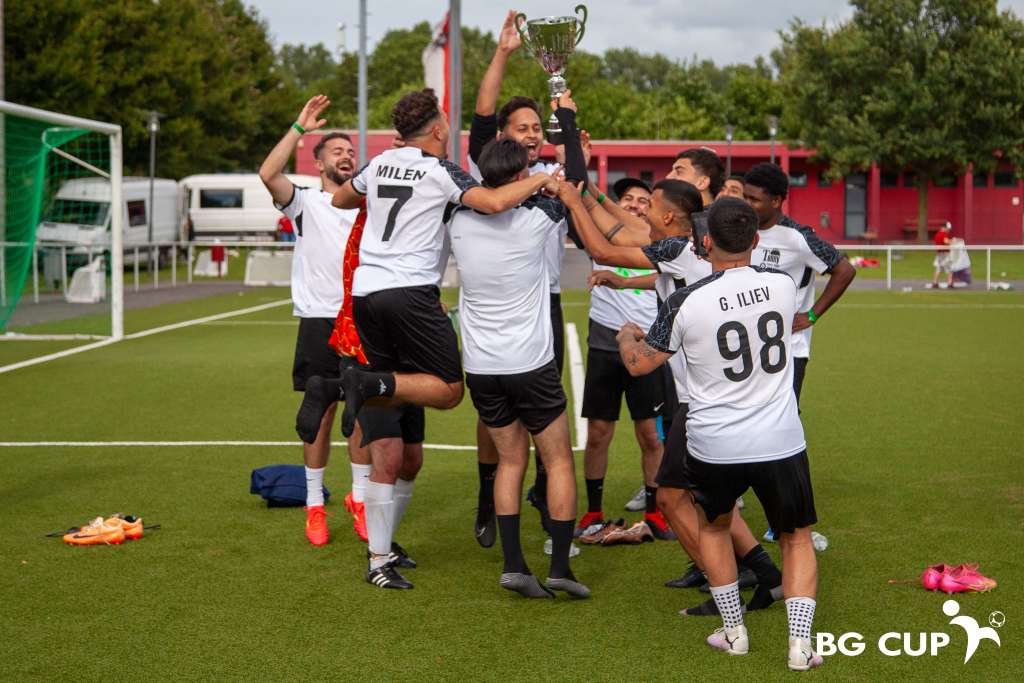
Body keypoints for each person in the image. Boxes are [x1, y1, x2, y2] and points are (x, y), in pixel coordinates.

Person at [299, 88, 557, 589]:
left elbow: (342, 196)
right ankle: (354, 387)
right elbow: (493, 201)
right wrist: (543, 178)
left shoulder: (379, 164)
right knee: (450, 389)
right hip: (411, 295)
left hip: (367, 295)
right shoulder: (440, 170)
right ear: (438, 129)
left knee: (397, 447)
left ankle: (379, 558)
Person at [617, 197, 824, 671]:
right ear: (756, 239)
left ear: (705, 242)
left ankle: (734, 633)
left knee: (713, 527)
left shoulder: (685, 301)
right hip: (779, 438)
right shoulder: (782, 284)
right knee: (795, 538)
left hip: (714, 441)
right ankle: (799, 645)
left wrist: (627, 337)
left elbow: (640, 364)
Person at [581, 179, 782, 617]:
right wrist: (624, 281)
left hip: (700, 401)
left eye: (650, 203)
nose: (642, 210)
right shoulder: (707, 255)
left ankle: (726, 583)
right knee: (710, 500)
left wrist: (572, 198)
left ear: (671, 214)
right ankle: (765, 575)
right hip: (731, 399)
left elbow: (603, 248)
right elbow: (665, 272)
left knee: (672, 499)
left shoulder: (676, 246)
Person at [450, 133, 589, 599]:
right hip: (530, 363)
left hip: (481, 367)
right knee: (558, 459)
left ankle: (514, 564)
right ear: (520, 175)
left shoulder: (456, 218)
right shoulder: (539, 217)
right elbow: (575, 183)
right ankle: (560, 567)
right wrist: (567, 135)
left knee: (510, 461)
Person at [465, 12, 572, 547]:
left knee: (547, 421)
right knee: (498, 419)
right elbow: (483, 112)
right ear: (503, 138)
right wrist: (503, 52)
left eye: (536, 128)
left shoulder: (549, 180)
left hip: (543, 303)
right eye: (521, 128)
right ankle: (489, 496)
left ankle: (548, 508)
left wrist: (565, 117)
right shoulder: (485, 174)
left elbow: (574, 175)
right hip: (495, 309)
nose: (531, 134)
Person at [257, 94, 371, 547]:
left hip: (361, 320)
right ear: (319, 162)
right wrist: (300, 127)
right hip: (319, 322)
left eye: (351, 151)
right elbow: (268, 174)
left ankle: (359, 499)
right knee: (320, 416)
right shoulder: (304, 203)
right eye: (337, 151)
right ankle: (314, 506)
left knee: (362, 415)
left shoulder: (368, 204)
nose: (347, 156)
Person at [569, 175, 676, 540]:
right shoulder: (601, 235)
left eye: (644, 201)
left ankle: (655, 514)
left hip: (648, 345)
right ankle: (593, 512)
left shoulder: (661, 244)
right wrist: (577, 161)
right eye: (628, 198)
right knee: (598, 433)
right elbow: (582, 198)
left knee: (650, 436)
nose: (635, 205)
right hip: (604, 342)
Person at [742, 163, 856, 405]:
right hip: (747, 347)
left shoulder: (799, 237)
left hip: (788, 349)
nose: (747, 204)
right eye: (745, 197)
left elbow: (845, 270)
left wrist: (812, 315)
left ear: (776, 201)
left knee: (785, 418)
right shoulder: (741, 232)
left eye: (755, 199)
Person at [929, 221, 954, 289]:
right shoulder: (944, 234)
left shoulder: (937, 234)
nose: (948, 230)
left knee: (938, 268)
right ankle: (950, 283)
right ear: (944, 228)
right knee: (949, 269)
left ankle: (935, 283)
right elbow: (946, 241)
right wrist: (953, 241)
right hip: (945, 254)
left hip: (939, 254)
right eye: (948, 229)